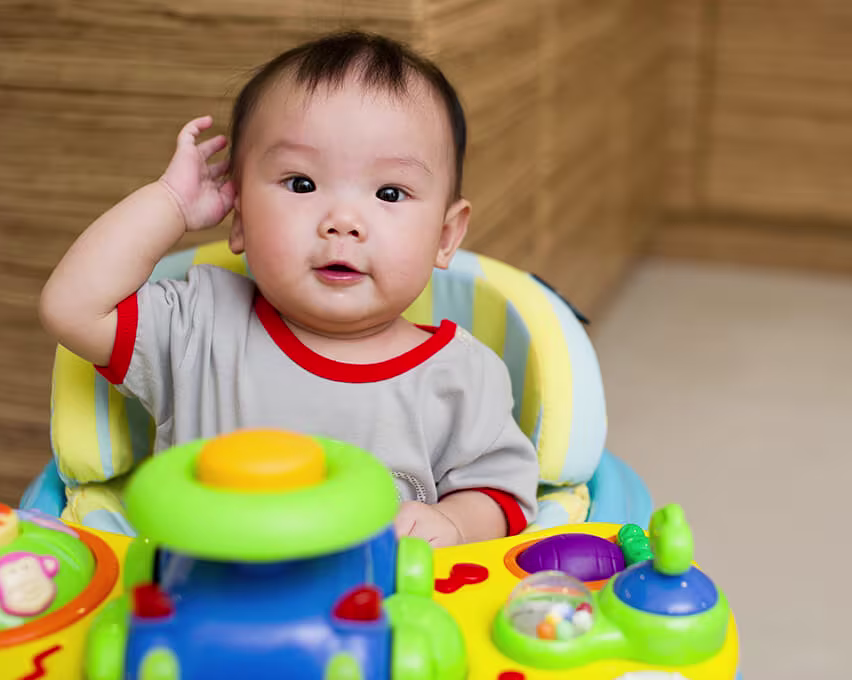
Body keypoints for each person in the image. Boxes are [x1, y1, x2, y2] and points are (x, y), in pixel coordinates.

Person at [38, 31, 539, 547]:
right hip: (204, 604)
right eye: (301, 183)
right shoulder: (200, 326)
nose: (342, 221)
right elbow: (72, 308)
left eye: (390, 192)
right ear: (239, 216)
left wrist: (454, 523)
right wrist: (169, 204)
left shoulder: (461, 376)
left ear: (445, 235)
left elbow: (502, 494)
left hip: (375, 613)